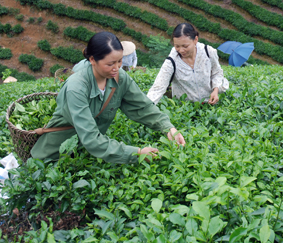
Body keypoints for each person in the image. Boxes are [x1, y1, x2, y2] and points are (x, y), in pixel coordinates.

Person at [31, 32, 186, 164]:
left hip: (85, 156)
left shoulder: (119, 77)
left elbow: (142, 107)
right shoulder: (76, 88)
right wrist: (137, 153)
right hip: (52, 158)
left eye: (119, 62)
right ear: (92, 60)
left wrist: (169, 128)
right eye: (110, 64)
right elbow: (91, 139)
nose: (116, 68)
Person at [147, 23, 229, 104]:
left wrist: (215, 90)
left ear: (195, 40)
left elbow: (217, 73)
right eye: (177, 46)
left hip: (209, 104)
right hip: (186, 108)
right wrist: (145, 109)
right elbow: (158, 87)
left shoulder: (208, 52)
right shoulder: (172, 60)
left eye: (185, 46)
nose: (181, 50)